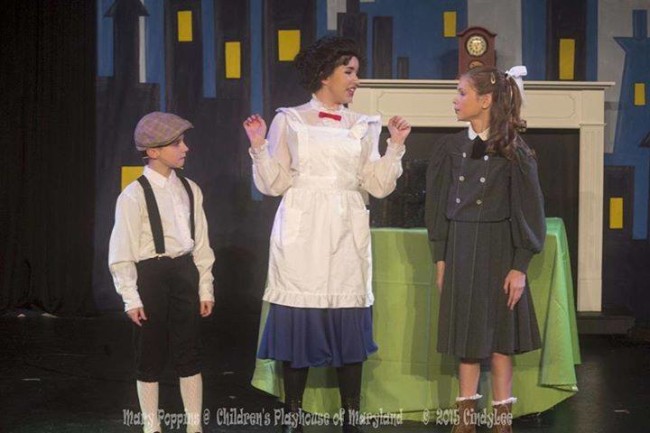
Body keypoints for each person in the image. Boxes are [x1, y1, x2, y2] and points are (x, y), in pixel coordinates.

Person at [243, 36, 411, 433]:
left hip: (346, 228)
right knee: (299, 318)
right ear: (324, 74)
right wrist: (258, 148)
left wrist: (395, 149)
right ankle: (293, 416)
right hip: (304, 227)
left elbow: (378, 184)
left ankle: (351, 416)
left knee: (347, 321)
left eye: (356, 72)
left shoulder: (365, 124)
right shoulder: (291, 118)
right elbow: (275, 182)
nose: (356, 81)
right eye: (348, 72)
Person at [425, 66, 545, 433]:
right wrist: (441, 257)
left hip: (498, 250)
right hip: (460, 246)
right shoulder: (449, 148)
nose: (455, 100)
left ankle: (501, 422)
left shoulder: (515, 151)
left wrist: (519, 266)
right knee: (467, 337)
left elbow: (529, 209)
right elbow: (437, 206)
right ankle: (464, 422)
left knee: (499, 338)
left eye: (462, 93)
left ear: (486, 100)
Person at [109, 112, 215, 433]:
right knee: (150, 352)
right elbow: (121, 252)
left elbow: (201, 242)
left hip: (184, 274)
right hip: (151, 276)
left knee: (189, 351)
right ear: (153, 152)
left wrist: (205, 287)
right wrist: (131, 297)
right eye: (177, 143)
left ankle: (194, 426)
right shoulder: (133, 195)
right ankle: (151, 426)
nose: (186, 148)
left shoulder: (190, 189)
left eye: (183, 141)